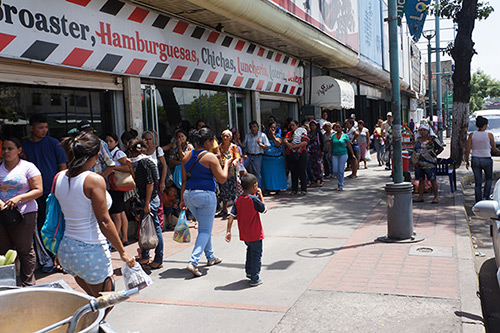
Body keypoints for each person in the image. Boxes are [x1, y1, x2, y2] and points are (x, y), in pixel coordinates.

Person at [56, 133, 135, 298]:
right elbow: (105, 221)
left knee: (94, 300)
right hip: (90, 251)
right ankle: (86, 323)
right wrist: (122, 251)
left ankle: (92, 323)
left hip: (67, 249)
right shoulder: (94, 180)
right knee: (105, 301)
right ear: (96, 155)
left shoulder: (59, 177)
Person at [180, 127, 234, 277]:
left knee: (204, 227)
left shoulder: (186, 156)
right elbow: (222, 178)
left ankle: (210, 257)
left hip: (189, 195)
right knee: (205, 230)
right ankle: (193, 261)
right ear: (208, 142)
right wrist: (227, 164)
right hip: (205, 196)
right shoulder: (210, 157)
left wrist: (181, 200)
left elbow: (184, 180)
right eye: (213, 141)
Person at [22, 114, 68, 272]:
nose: (44, 130)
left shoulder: (54, 143)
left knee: (57, 223)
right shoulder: (24, 146)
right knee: (41, 225)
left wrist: (61, 186)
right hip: (34, 193)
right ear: (31, 128)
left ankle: (61, 258)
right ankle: (47, 259)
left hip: (53, 190)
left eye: (45, 127)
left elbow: (63, 165)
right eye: (40, 127)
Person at [0, 137, 43, 286]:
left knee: (24, 248)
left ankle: (28, 284)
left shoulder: (28, 167)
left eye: (10, 148)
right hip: (3, 214)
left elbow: (38, 190)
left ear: (19, 150)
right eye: (4, 148)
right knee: (4, 251)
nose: (6, 152)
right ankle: (7, 283)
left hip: (25, 213)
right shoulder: (0, 167)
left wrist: (19, 198)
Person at [127, 138, 164, 269]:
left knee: (154, 228)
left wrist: (147, 202)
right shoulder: (144, 161)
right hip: (148, 199)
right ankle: (145, 256)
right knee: (145, 228)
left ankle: (158, 258)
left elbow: (150, 183)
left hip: (150, 199)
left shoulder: (144, 163)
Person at [225, 173, 266, 287]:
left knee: (250, 251)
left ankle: (249, 271)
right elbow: (263, 209)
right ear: (254, 186)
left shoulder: (238, 200)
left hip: (245, 233)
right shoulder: (254, 199)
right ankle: (255, 277)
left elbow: (232, 215)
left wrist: (228, 231)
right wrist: (261, 196)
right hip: (256, 233)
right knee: (256, 254)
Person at [105, 133, 134, 245]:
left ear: (116, 142)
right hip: (114, 186)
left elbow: (128, 167)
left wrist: (113, 167)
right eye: (107, 141)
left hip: (117, 186)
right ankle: (124, 238)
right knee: (121, 214)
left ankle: (114, 241)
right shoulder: (109, 152)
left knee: (116, 215)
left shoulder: (118, 153)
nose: (108, 143)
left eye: (111, 141)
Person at [465, 116, 500, 202]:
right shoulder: (489, 135)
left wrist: (466, 160)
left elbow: (468, 149)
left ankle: (478, 200)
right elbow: (494, 149)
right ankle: (486, 197)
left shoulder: (471, 135)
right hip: (487, 159)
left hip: (475, 159)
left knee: (478, 182)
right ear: (484, 125)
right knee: (488, 179)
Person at [412, 124, 444, 204]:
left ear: (428, 131)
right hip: (419, 163)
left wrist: (434, 155)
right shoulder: (418, 139)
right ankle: (420, 197)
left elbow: (441, 147)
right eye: (421, 130)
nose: (422, 132)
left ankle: (435, 197)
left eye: (424, 130)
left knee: (432, 180)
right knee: (420, 180)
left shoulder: (433, 140)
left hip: (430, 163)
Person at [142, 131, 167, 229]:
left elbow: (164, 166)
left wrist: (162, 181)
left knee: (159, 204)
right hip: (144, 182)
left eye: (150, 139)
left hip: (156, 180)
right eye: (146, 139)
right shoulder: (141, 150)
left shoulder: (157, 150)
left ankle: (159, 227)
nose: (148, 141)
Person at [216, 130, 240, 219]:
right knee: (223, 190)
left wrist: (234, 161)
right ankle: (224, 209)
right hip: (223, 170)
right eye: (223, 136)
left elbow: (237, 157)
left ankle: (236, 210)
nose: (225, 138)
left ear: (230, 137)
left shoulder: (233, 147)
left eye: (227, 136)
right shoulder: (219, 147)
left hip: (232, 171)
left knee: (234, 190)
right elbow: (218, 157)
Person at [283, 120, 309, 195]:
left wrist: (294, 146)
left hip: (301, 153)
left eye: (293, 125)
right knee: (293, 172)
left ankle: (303, 189)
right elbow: (285, 140)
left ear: (297, 125)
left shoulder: (302, 132)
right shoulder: (289, 133)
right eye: (290, 125)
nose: (291, 127)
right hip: (291, 154)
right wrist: (288, 144)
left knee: (302, 171)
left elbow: (305, 142)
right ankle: (294, 189)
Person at [261, 121, 287, 194]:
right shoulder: (264, 136)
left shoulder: (278, 135)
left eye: (274, 128)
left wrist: (273, 136)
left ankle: (278, 189)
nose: (273, 129)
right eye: (272, 127)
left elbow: (278, 144)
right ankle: (267, 189)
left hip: (277, 158)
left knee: (277, 176)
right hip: (267, 158)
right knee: (267, 176)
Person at [242, 121, 270, 186]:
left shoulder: (262, 135)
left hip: (258, 156)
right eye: (251, 127)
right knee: (242, 168)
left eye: (254, 127)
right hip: (249, 155)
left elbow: (267, 148)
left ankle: (257, 189)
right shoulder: (248, 135)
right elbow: (243, 145)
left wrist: (259, 144)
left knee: (257, 173)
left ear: (257, 127)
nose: (253, 128)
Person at [329, 122, 355, 191]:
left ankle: (340, 184)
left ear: (341, 128)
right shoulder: (333, 136)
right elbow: (331, 145)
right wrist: (329, 153)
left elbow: (349, 145)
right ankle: (339, 179)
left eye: (338, 127)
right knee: (335, 170)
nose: (337, 128)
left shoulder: (345, 136)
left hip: (343, 154)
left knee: (341, 170)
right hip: (335, 154)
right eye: (336, 127)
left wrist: (352, 154)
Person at [308, 120, 324, 186]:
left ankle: (320, 179)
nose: (312, 127)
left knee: (318, 165)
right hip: (310, 151)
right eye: (311, 126)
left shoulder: (318, 133)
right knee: (312, 166)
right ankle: (313, 180)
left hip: (317, 151)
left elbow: (322, 142)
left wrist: (322, 150)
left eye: (313, 125)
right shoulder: (308, 133)